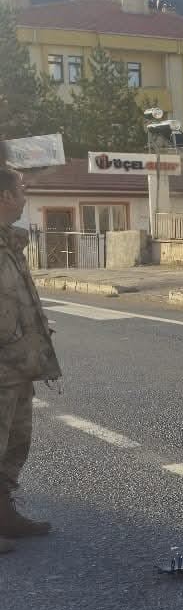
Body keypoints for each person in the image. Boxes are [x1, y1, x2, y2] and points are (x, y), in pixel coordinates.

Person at [0, 167, 60, 548]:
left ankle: (4, 514)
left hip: (16, 366)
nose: (24, 197)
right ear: (5, 197)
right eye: (20, 190)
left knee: (14, 442)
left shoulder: (10, 244)